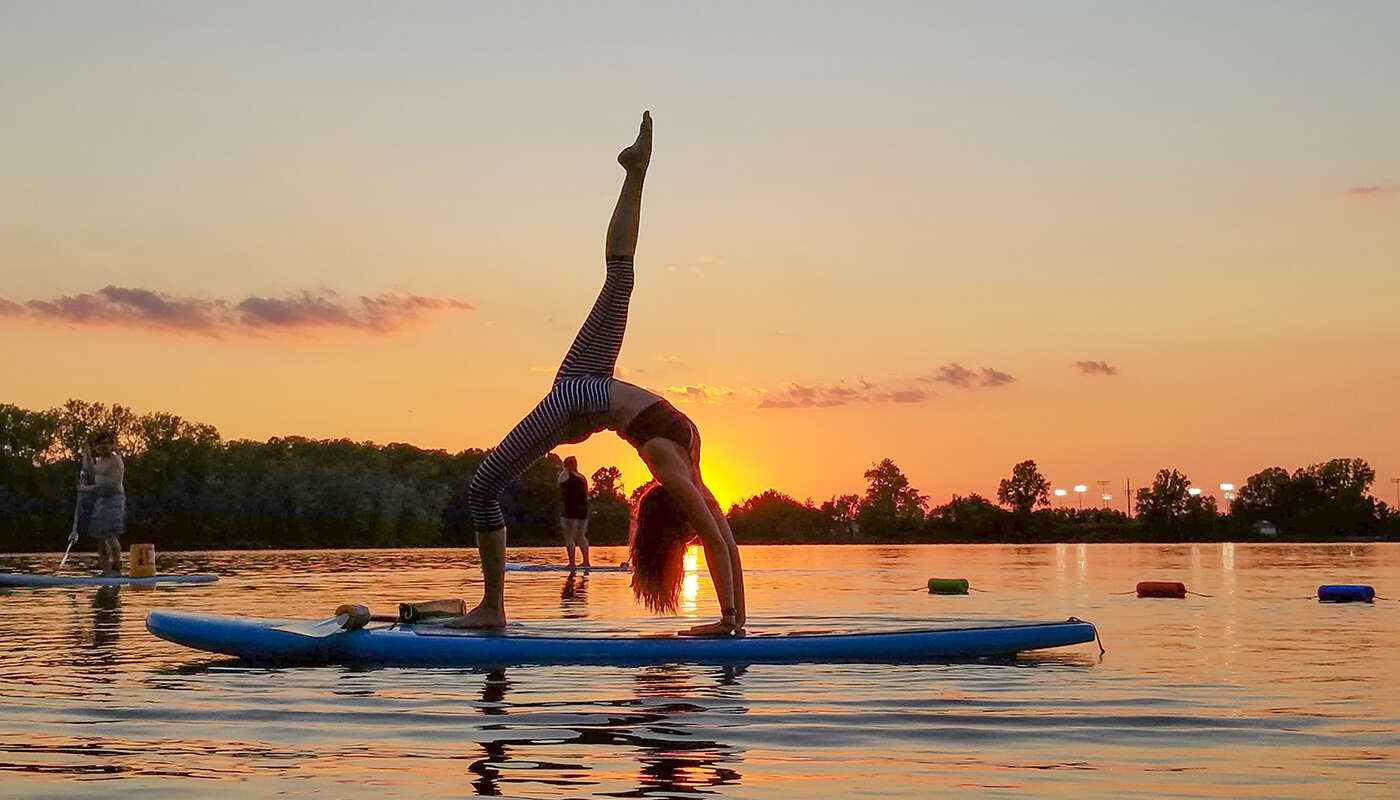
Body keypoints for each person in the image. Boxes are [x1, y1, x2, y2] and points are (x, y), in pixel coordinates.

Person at [452, 112, 745, 636]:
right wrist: (730, 622)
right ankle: (636, 171)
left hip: (589, 388)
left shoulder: (682, 450)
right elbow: (719, 538)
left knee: (620, 278)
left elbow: (722, 539)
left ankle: (494, 609)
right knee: (482, 488)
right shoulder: (672, 464)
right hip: (581, 393)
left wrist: (733, 623)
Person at [78, 431, 125, 576]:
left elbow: (111, 484)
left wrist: (87, 489)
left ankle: (116, 568)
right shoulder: (99, 460)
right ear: (97, 447)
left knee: (110, 534)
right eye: (101, 444)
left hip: (114, 500)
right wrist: (86, 455)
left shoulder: (116, 461)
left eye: (107, 443)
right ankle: (105, 571)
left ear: (112, 445)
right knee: (99, 537)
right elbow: (90, 471)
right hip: (101, 500)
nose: (104, 446)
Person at [557, 456, 592, 569]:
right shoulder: (582, 477)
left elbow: (558, 484)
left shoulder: (565, 475)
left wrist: (565, 470)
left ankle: (572, 564)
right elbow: (586, 493)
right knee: (581, 536)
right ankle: (586, 562)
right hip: (583, 511)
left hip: (569, 511)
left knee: (569, 537)